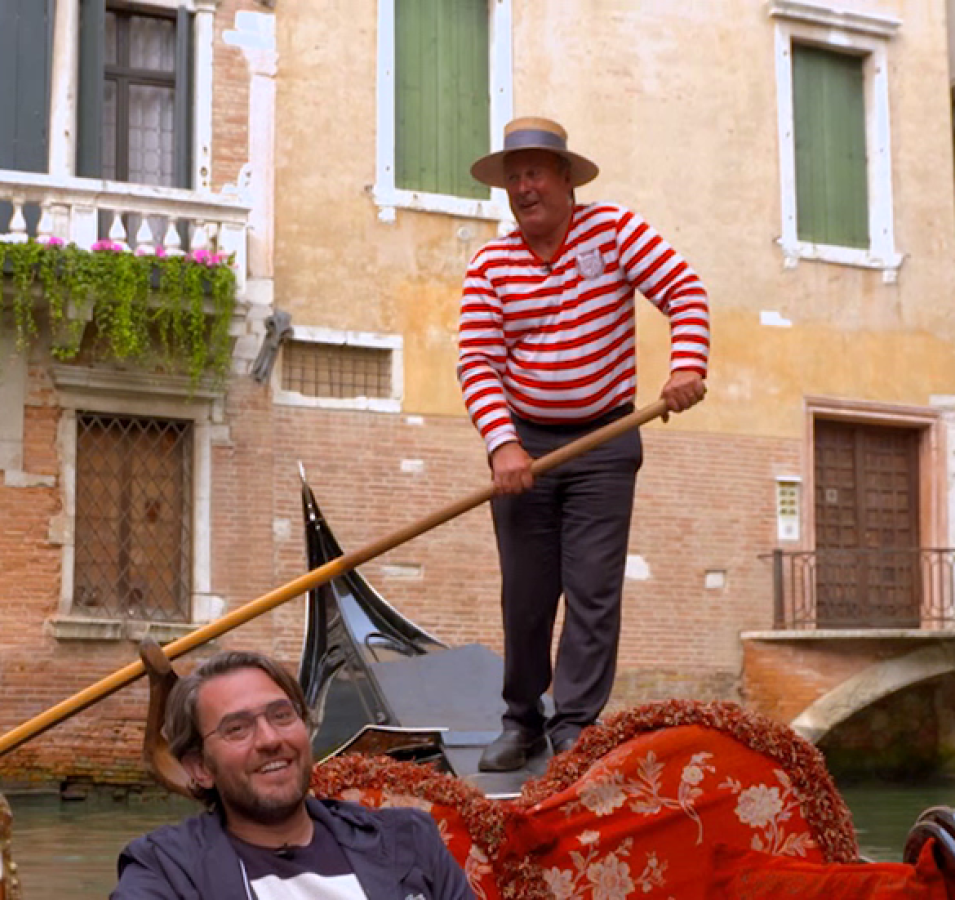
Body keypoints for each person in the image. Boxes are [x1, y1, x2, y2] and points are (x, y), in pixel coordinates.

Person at [458, 116, 711, 772]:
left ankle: (574, 726)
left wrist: (686, 366)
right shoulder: (491, 263)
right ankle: (523, 720)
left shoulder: (615, 232)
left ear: (566, 179)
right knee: (527, 594)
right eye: (513, 177)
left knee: (594, 590)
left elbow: (684, 291)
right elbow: (477, 362)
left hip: (605, 440)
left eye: (534, 172)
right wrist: (503, 447)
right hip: (527, 451)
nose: (523, 187)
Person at [112, 650, 476, 899]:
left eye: (282, 716)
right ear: (200, 768)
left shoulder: (408, 839)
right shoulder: (166, 869)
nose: (270, 740)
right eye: (237, 729)